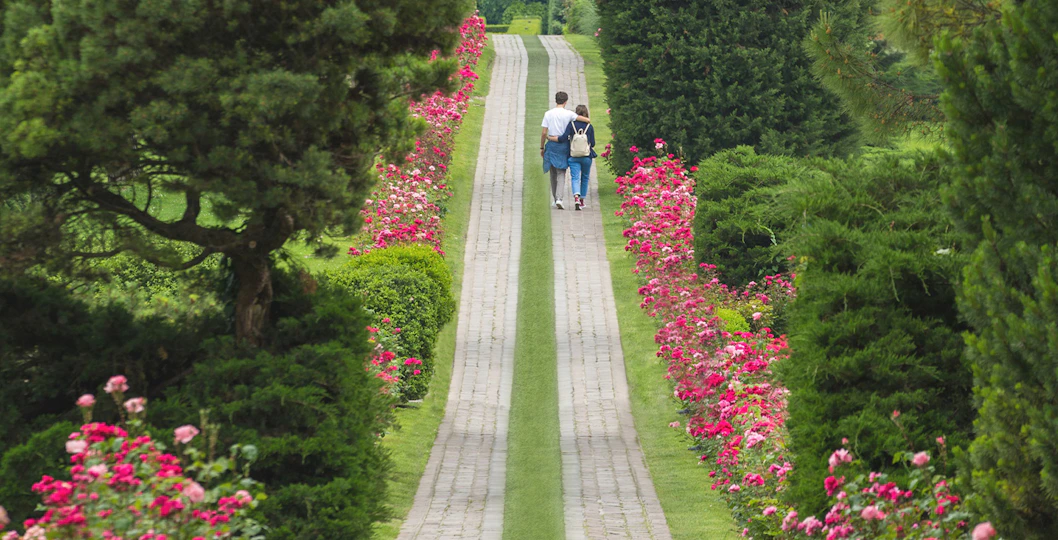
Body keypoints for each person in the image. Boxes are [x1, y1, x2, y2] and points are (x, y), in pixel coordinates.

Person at [541, 91, 589, 209]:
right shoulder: (569, 114)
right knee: (561, 172)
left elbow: (543, 132)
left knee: (552, 173)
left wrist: (542, 146)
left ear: (555, 100)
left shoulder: (548, 114)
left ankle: (555, 198)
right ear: (566, 101)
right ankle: (559, 198)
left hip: (551, 144)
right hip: (563, 145)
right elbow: (587, 120)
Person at [550, 104, 596, 211]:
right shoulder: (590, 127)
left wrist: (551, 138)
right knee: (584, 178)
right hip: (586, 156)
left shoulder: (571, 125)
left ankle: (576, 196)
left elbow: (563, 138)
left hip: (573, 156)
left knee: (575, 177)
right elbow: (592, 143)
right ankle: (582, 201)